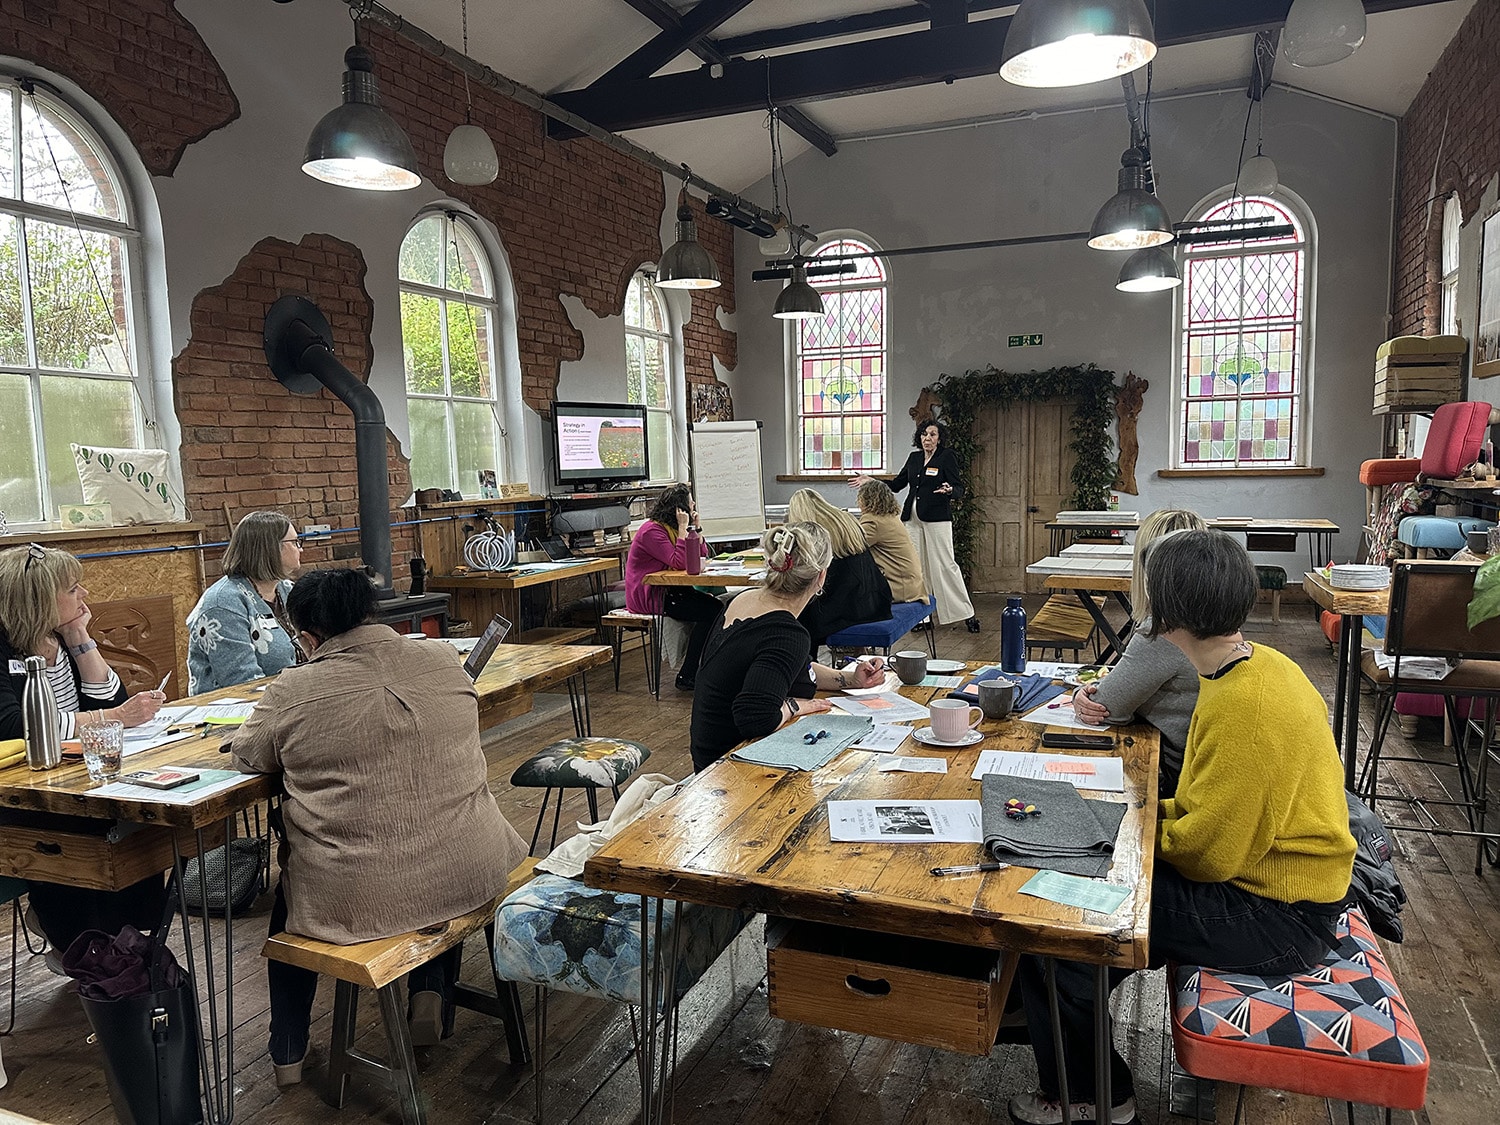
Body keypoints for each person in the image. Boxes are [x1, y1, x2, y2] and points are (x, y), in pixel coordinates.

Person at [1008, 530, 1357, 1125]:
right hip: (1273, 886)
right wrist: (1123, 819)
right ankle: (1049, 1013)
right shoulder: (1250, 667)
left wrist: (1121, 828)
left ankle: (1092, 1096)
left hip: (1280, 915)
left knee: (1063, 924)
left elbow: (1209, 856)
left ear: (1163, 612)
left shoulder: (1245, 705)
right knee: (1075, 894)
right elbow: (1201, 808)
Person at [232, 568, 527, 1085]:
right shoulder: (443, 659)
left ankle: (288, 1053)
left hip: (364, 894)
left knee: (290, 902)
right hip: (475, 865)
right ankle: (430, 991)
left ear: (307, 639)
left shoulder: (294, 688)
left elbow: (247, 755)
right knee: (434, 832)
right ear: (371, 613)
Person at [0, 544, 167, 953]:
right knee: (89, 832)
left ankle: (125, 940)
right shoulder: (5, 648)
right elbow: (14, 727)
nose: (85, 595)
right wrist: (114, 717)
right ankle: (76, 941)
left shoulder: (61, 637)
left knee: (139, 818)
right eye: (73, 589)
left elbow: (110, 700)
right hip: (25, 790)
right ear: (39, 599)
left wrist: (80, 638)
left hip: (79, 774)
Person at [689, 523, 886, 772]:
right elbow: (755, 717)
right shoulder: (786, 633)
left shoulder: (743, 599)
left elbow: (791, 667)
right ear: (821, 576)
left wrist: (851, 680)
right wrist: (793, 706)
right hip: (730, 766)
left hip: (707, 754)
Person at [1070, 508, 1206, 797]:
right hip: (1198, 770)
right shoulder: (1209, 620)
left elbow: (1107, 709)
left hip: (1173, 777)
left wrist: (1081, 694)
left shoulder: (1165, 630)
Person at [851, 419, 979, 632]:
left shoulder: (946, 457)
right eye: (924, 434)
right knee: (917, 567)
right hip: (912, 518)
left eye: (932, 434)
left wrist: (950, 490)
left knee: (945, 565)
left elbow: (959, 488)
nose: (927, 438)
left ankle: (966, 614)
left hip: (937, 517)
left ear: (939, 438)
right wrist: (871, 480)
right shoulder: (914, 458)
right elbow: (896, 485)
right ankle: (923, 617)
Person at [186, 511, 304, 694]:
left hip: (286, 698)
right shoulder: (223, 604)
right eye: (295, 542)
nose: (300, 549)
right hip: (236, 706)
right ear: (271, 548)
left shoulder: (287, 589)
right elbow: (241, 681)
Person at [623, 484, 714, 691]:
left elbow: (701, 556)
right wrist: (683, 528)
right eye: (690, 502)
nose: (694, 505)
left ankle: (701, 669)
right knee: (710, 614)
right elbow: (679, 562)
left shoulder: (671, 529)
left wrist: (696, 529)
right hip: (651, 596)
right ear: (679, 509)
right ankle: (687, 675)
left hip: (672, 590)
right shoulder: (652, 531)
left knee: (717, 607)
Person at [785, 488, 893, 651]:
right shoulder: (846, 519)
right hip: (876, 597)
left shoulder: (813, 532)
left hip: (848, 604)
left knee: (798, 618)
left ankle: (805, 661)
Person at [855, 479, 926, 604]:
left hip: (898, 587)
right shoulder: (891, 517)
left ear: (865, 500)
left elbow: (851, 545)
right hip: (911, 584)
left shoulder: (873, 521)